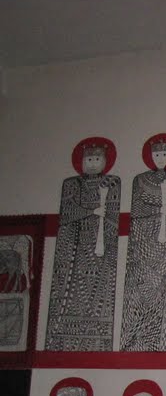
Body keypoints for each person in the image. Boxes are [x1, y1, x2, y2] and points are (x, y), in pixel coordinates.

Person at [45, 139, 120, 350]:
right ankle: (61, 336)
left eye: (97, 159)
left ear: (105, 161)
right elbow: (66, 213)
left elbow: (113, 217)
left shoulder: (112, 183)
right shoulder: (71, 184)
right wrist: (91, 211)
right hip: (74, 248)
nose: (93, 163)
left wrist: (105, 218)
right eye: (89, 159)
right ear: (82, 161)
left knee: (98, 293)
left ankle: (95, 335)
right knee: (70, 291)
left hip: (101, 249)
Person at [121, 135, 166, 351]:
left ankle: (156, 339)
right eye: (157, 154)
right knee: (142, 292)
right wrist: (158, 210)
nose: (161, 158)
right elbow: (136, 212)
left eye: (164, 154)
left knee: (163, 293)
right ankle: (135, 338)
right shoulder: (140, 181)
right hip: (144, 244)